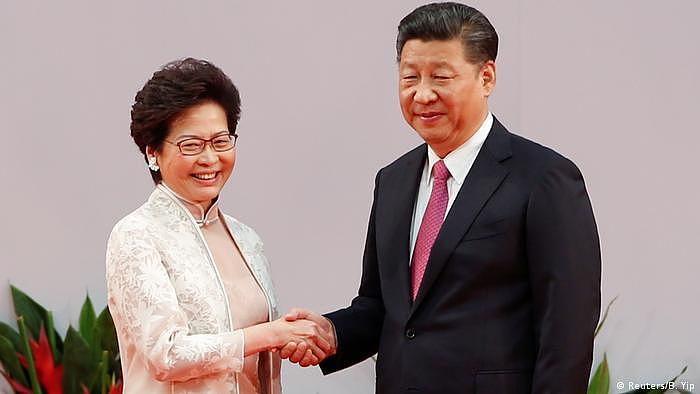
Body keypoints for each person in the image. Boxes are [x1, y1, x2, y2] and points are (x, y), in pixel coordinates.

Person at [282, 3, 601, 393]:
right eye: (410, 77)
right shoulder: (393, 180)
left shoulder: (543, 178)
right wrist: (332, 332)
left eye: (441, 77)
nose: (423, 94)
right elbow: (384, 308)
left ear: (486, 77)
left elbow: (566, 334)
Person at [106, 58, 330, 394]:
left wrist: (295, 335)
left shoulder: (246, 239)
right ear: (152, 153)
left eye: (221, 141)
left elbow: (261, 356)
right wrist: (271, 334)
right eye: (191, 145)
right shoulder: (136, 235)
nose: (210, 158)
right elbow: (166, 355)